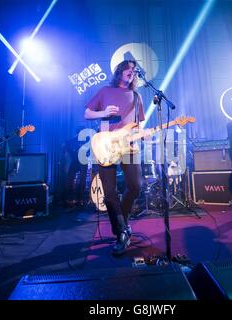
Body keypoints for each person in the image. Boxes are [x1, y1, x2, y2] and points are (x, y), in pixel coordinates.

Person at [84, 60, 145, 256]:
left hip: (129, 146)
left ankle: (122, 223)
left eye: (134, 70)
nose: (132, 72)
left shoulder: (136, 96)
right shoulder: (105, 91)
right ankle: (121, 233)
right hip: (106, 145)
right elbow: (87, 113)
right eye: (128, 69)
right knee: (109, 192)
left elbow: (138, 124)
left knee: (136, 185)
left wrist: (144, 133)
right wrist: (103, 112)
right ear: (120, 72)